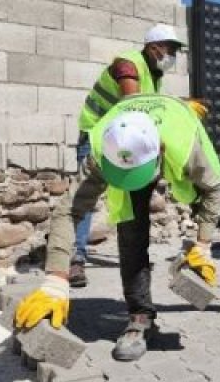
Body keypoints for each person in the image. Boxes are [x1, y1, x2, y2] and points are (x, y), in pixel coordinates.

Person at [16, 94, 220, 362]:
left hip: (170, 132)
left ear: (161, 151)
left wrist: (202, 245)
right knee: (131, 236)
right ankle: (140, 318)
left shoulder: (186, 143)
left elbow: (212, 189)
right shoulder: (102, 149)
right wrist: (56, 278)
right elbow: (68, 210)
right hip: (133, 151)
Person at [68, 23, 185, 288]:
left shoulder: (155, 76)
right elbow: (134, 106)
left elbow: (155, 113)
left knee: (129, 197)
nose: (173, 56)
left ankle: (132, 257)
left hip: (123, 141)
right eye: (170, 49)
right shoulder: (127, 63)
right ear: (154, 47)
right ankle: (75, 259)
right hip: (96, 135)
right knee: (84, 199)